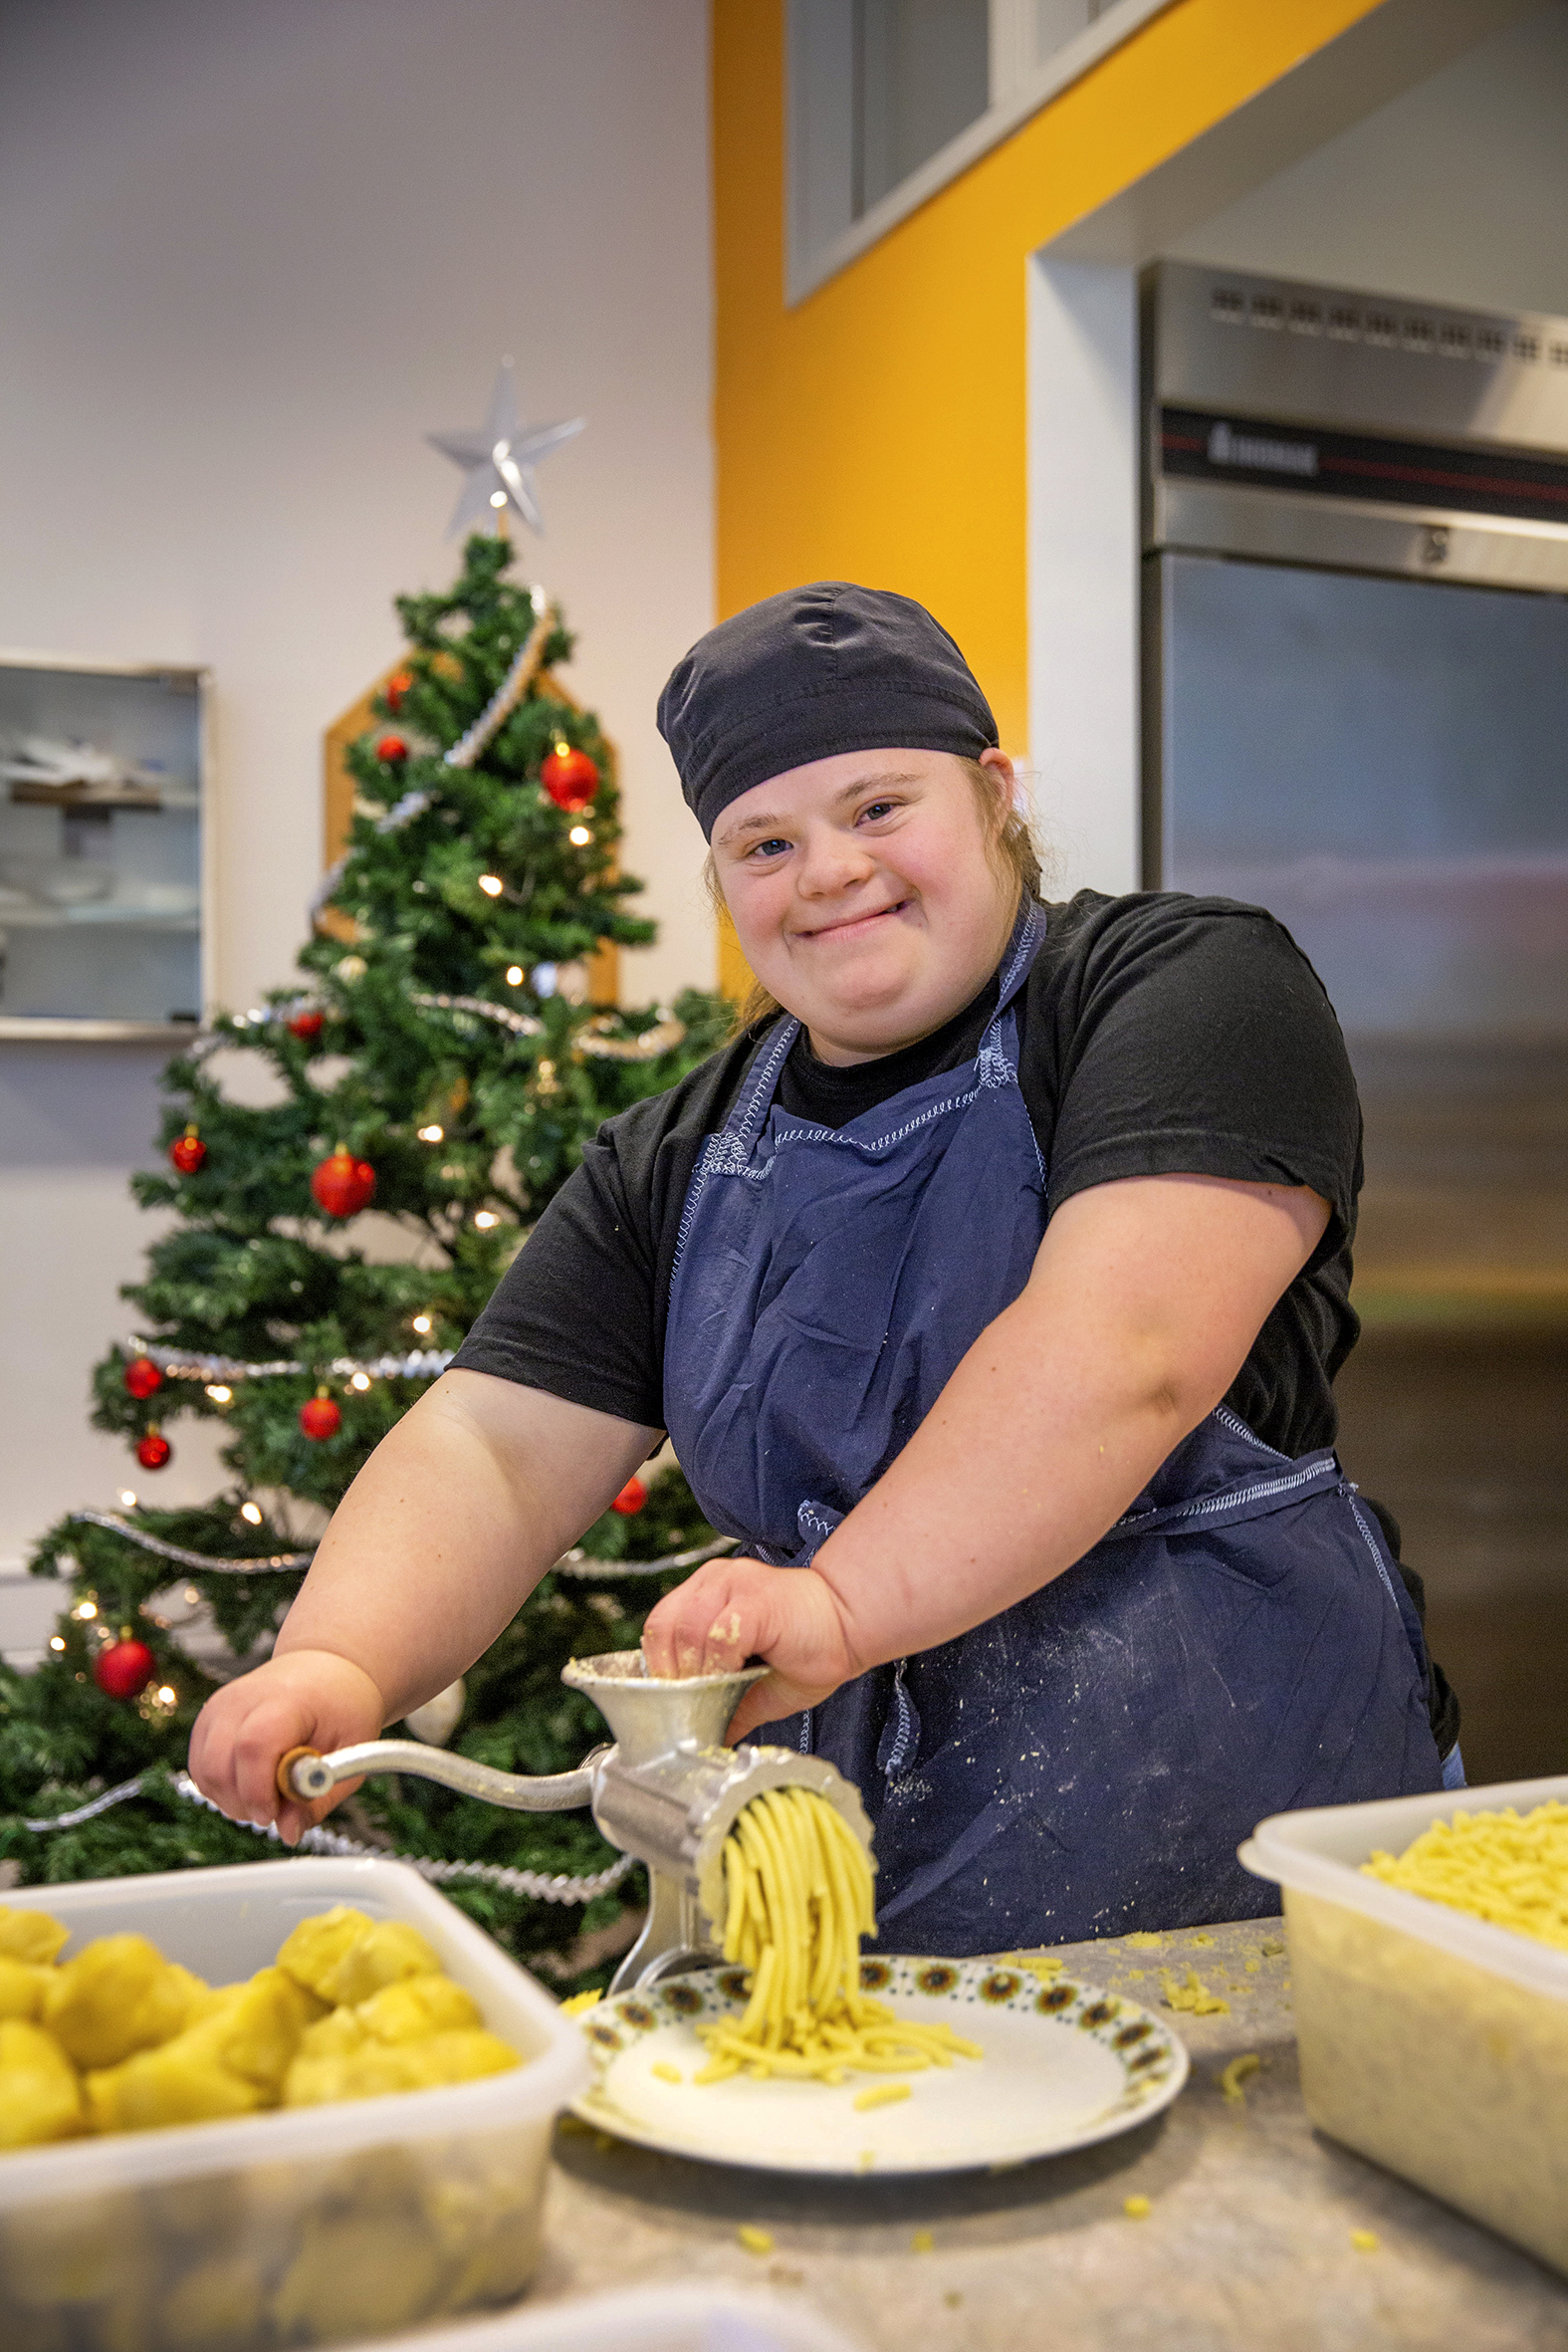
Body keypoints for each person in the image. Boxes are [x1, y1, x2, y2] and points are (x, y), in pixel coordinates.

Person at [190, 582, 1456, 1952]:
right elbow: (496, 1443)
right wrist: (339, 1654)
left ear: (993, 789)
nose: (832, 871)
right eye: (766, 841)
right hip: (857, 1910)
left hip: (1242, 1881)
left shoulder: (1184, 986)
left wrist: (841, 1602)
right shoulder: (674, 1153)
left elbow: (1122, 1357)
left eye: (877, 807)